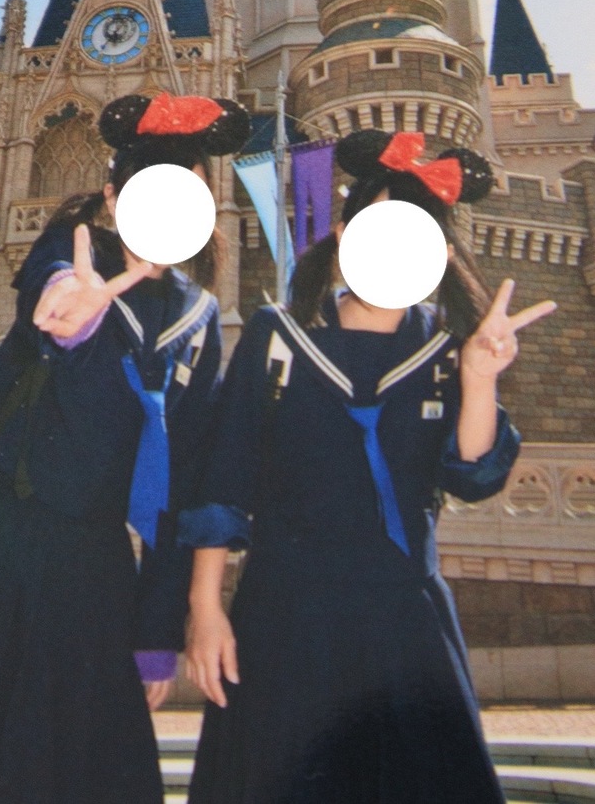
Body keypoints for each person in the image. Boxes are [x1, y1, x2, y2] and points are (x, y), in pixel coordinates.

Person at [0, 91, 250, 804]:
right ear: (113, 198)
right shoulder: (66, 250)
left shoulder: (198, 317)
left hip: (94, 563)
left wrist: (157, 631)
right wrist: (74, 311)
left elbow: (185, 483)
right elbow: (51, 288)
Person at [180, 129, 557, 804]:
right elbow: (224, 479)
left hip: (404, 617)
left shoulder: (448, 350)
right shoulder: (279, 338)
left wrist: (479, 377)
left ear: (440, 254)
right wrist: (205, 608)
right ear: (344, 234)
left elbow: (473, 476)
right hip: (288, 611)